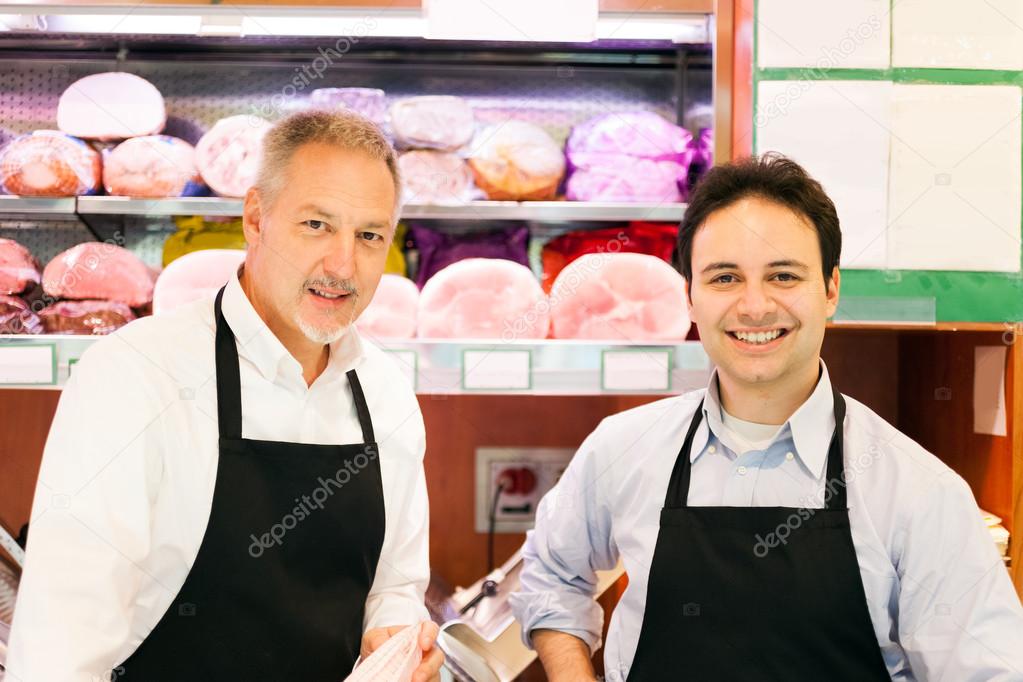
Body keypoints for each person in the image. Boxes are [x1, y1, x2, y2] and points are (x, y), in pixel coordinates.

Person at [510, 154, 1023, 681]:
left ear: (830, 290)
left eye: (783, 275)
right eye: (725, 277)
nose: (754, 307)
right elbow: (552, 574)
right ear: (690, 297)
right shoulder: (622, 447)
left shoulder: (919, 490)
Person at [7, 110, 443, 681]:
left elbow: (396, 584)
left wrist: (396, 636)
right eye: (316, 225)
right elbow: (61, 644)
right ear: (256, 219)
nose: (342, 265)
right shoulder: (135, 375)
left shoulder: (385, 391)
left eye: (368, 236)